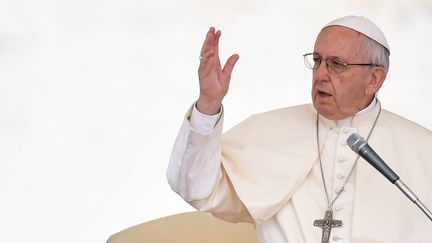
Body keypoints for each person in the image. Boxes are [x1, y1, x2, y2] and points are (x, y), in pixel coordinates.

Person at [166, 16, 432, 243]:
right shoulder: (270, 130)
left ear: (374, 79)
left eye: (336, 64)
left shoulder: (422, 148)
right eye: (317, 61)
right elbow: (196, 189)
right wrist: (208, 103)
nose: (320, 74)